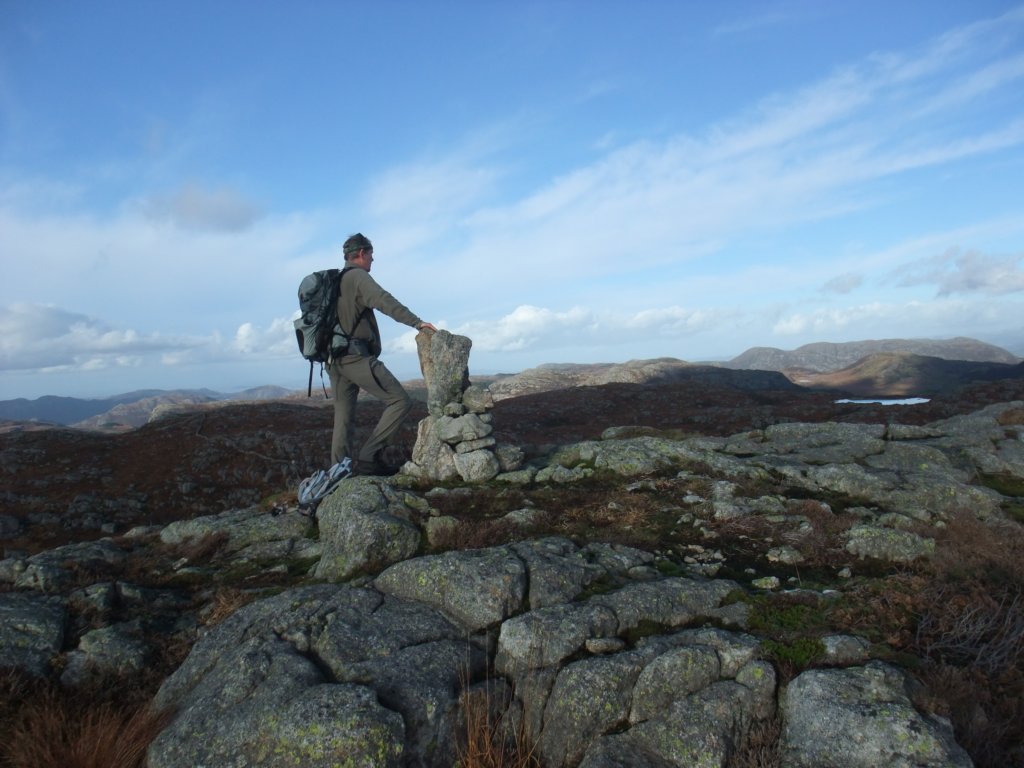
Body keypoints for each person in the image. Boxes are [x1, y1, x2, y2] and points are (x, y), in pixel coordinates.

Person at [328, 233, 437, 475]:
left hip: (333, 359)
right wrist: (417, 322)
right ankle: (369, 459)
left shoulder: (335, 281)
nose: (373, 261)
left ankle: (337, 474)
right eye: (371, 256)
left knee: (343, 420)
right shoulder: (357, 277)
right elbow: (384, 300)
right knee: (399, 400)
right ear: (362, 254)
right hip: (355, 356)